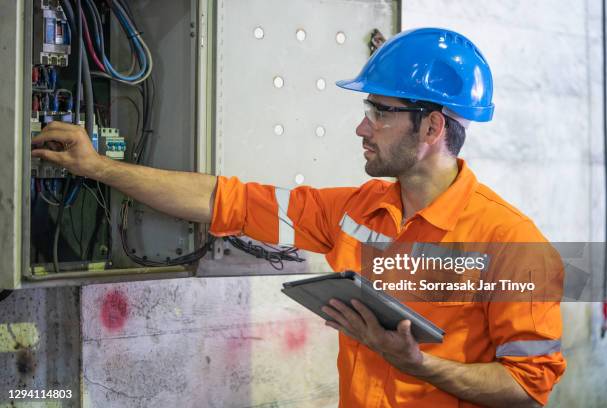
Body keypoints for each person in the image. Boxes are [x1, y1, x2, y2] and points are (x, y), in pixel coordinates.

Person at [32, 28, 565, 407]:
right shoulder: (357, 211)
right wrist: (99, 167)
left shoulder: (512, 243)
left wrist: (419, 365)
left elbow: (527, 387)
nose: (363, 127)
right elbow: (224, 200)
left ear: (431, 130)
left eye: (379, 112)